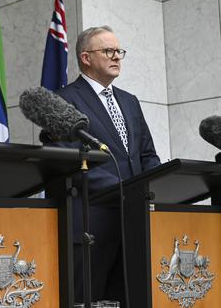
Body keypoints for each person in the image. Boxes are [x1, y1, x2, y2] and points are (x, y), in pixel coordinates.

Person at [55, 26, 161, 305]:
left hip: (134, 223)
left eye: (119, 51)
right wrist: (126, 188)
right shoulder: (64, 100)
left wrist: (152, 185)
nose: (117, 56)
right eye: (108, 51)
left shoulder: (129, 101)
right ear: (86, 57)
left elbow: (146, 154)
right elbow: (68, 156)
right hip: (92, 225)